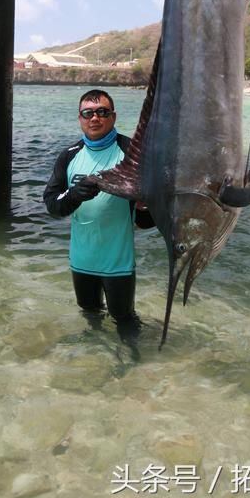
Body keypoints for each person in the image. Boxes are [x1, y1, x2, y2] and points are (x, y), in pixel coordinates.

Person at [43, 89, 153, 336]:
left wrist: (144, 205)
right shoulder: (69, 156)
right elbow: (52, 204)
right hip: (81, 261)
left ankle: (133, 365)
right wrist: (74, 195)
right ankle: (95, 359)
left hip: (118, 264)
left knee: (124, 319)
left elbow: (149, 220)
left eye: (102, 112)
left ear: (113, 117)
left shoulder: (132, 154)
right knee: (90, 314)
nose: (95, 118)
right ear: (80, 118)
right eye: (88, 113)